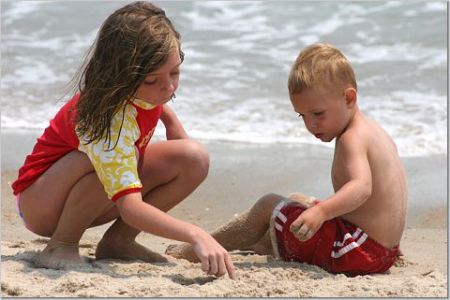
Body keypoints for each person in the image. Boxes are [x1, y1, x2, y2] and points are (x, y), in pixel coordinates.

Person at [11, 1, 235, 279]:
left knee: (193, 158)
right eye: (153, 80)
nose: (168, 87)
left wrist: (171, 123)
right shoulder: (109, 123)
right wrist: (195, 234)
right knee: (106, 165)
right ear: (120, 75)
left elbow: (156, 102)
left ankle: (119, 242)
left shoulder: (142, 90)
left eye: (175, 72)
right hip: (40, 203)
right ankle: (61, 245)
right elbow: (131, 208)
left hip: (78, 189)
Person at [166, 43, 408, 276]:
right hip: (384, 250)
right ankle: (265, 240)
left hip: (356, 253)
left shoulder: (351, 139)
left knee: (268, 205)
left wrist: (322, 211)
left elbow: (362, 188)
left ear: (349, 98)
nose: (310, 124)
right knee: (297, 201)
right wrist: (317, 210)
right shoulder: (374, 131)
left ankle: (194, 251)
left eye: (318, 114)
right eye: (301, 116)